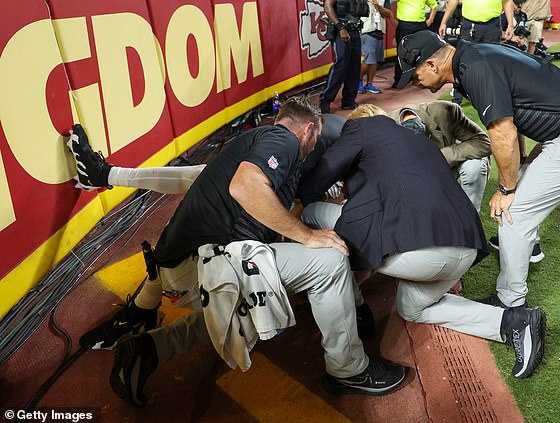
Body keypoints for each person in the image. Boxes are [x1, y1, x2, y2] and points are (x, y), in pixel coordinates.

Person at [67, 98, 406, 405]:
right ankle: (349, 370)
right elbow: (248, 189)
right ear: (308, 131)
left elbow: (197, 179)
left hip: (180, 262)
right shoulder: (290, 141)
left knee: (250, 298)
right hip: (203, 265)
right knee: (325, 263)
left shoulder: (256, 142)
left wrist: (110, 174)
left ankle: (148, 346)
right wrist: (307, 237)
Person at [300, 107, 546, 378]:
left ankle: (356, 307)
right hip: (464, 247)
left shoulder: (360, 128)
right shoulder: (418, 140)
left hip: (421, 250)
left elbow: (315, 183)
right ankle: (514, 322)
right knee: (411, 308)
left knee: (310, 212)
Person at [396, 30, 560, 309]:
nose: (415, 83)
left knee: (512, 212)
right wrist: (523, 163)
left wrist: (506, 188)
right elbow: (513, 118)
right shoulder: (473, 56)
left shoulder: (475, 68)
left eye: (415, 75)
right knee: (523, 178)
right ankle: (532, 248)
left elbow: (502, 132)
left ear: (432, 65)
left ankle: (510, 303)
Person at [387, 101, 490, 211]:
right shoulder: (385, 126)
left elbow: (483, 143)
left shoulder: (444, 111)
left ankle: (471, 215)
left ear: (429, 135)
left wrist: (438, 156)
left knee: (474, 167)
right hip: (417, 172)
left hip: (454, 159)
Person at [438, 0, 515, 104]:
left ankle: (490, 96)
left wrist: (510, 24)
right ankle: (457, 99)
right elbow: (453, 1)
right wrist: (443, 22)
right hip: (469, 26)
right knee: (463, 60)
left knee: (492, 63)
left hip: (492, 26)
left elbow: (507, 1)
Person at [320, 0, 369, 113]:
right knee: (340, 66)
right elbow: (328, 6)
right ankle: (325, 100)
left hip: (355, 31)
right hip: (341, 31)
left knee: (354, 67)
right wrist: (341, 28)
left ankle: (349, 100)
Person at [391, 0, 438, 88]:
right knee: (401, 53)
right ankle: (399, 79)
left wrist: (430, 20)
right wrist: (392, 18)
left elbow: (434, 5)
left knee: (421, 53)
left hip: (420, 25)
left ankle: (419, 79)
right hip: (404, 25)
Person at [358, 0, 396, 95]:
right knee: (369, 59)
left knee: (374, 61)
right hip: (366, 30)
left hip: (379, 31)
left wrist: (378, 5)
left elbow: (388, 13)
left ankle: (369, 84)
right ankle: (357, 82)